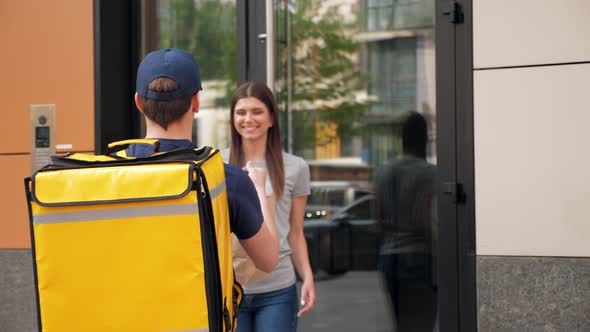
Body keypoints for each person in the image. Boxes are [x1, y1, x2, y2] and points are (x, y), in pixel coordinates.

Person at [129, 48, 279, 273]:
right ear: (196, 102)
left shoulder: (104, 175)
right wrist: (258, 189)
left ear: (139, 102)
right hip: (197, 309)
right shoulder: (227, 179)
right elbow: (268, 261)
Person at [222, 81, 316, 332]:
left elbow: (295, 232)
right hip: (231, 289)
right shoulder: (217, 165)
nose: (248, 119)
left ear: (271, 119)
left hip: (278, 291)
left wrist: (307, 276)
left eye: (257, 111)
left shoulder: (296, 167)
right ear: (233, 119)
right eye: (241, 112)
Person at [375, 111, 438, 331]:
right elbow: (425, 220)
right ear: (425, 139)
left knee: (401, 324)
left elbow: (379, 217)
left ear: (403, 139)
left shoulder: (383, 171)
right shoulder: (431, 174)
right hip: (420, 258)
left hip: (389, 257)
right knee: (422, 325)